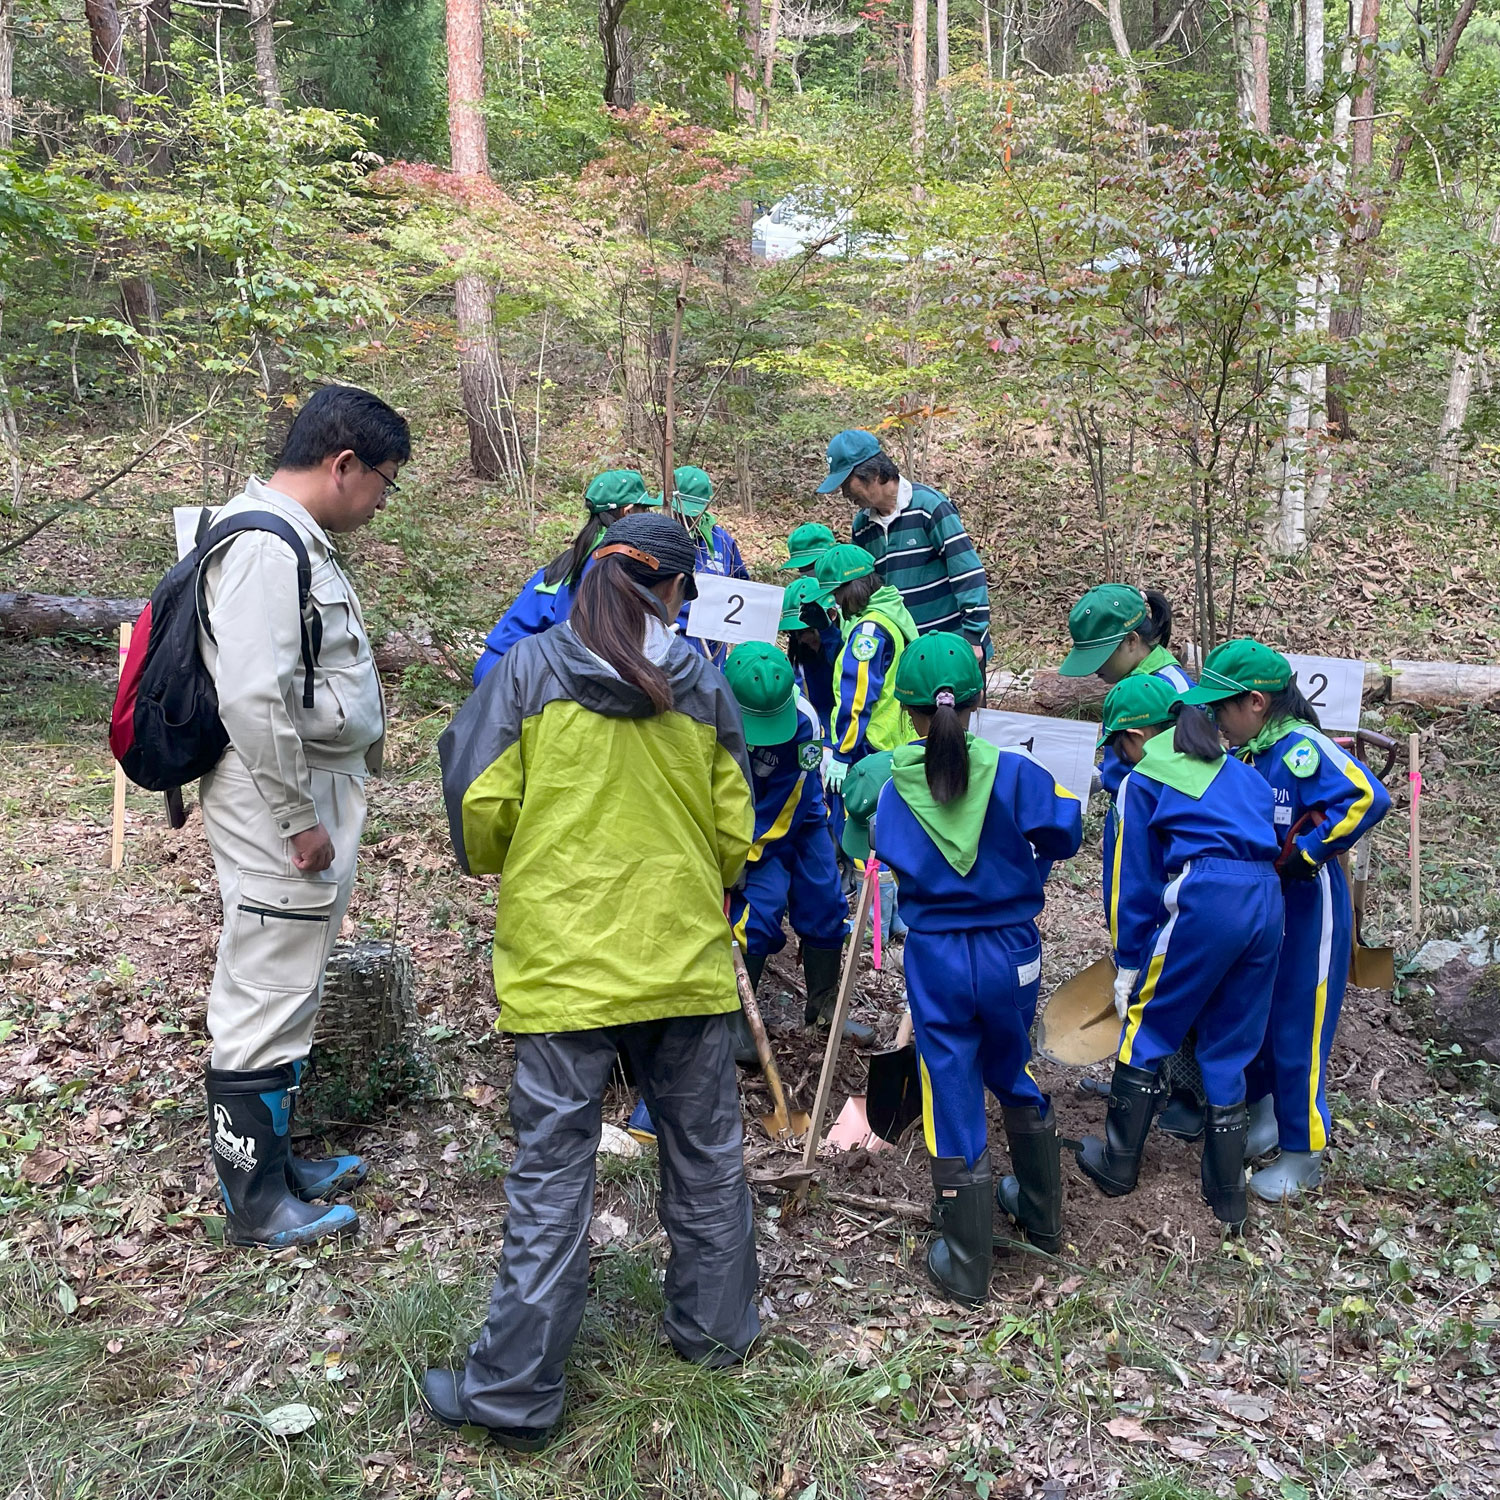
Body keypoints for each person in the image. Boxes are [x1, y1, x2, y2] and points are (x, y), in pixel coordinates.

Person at [427, 512, 759, 1450]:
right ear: (675, 590)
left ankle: (514, 1394)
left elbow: (480, 811)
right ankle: (716, 1337)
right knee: (705, 1156)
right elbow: (735, 833)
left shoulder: (526, 671)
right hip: (682, 958)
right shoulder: (703, 683)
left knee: (551, 1177)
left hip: (563, 963)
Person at [198, 385, 409, 1247]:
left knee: (290, 979)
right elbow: (253, 697)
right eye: (384, 481)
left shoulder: (289, 539)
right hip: (279, 801)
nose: (383, 500)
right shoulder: (263, 545)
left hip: (306, 789)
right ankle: (255, 1203)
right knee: (265, 987)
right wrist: (296, 819)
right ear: (343, 464)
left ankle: (277, 1165)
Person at [870, 635, 1083, 1304]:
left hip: (936, 953)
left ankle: (966, 1262)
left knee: (950, 1081)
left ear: (909, 713)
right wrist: (1027, 867)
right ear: (978, 702)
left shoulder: (892, 787)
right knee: (1012, 1063)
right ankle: (1042, 1216)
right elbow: (1068, 830)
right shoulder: (1016, 774)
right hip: (1010, 950)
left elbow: (877, 845)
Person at [1184, 641, 1391, 1201]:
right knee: (1259, 1014)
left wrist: (1311, 852)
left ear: (1256, 702)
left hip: (1309, 909)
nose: (1216, 720)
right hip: (1263, 906)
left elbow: (1368, 796)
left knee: (1301, 1023)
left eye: (1221, 707)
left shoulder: (1302, 747)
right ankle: (1266, 1116)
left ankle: (1304, 1152)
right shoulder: (1250, 753)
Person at [1074, 677, 1284, 1228]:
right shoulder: (1242, 772)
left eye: (1119, 745)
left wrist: (1129, 961)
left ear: (1137, 737)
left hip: (1205, 898)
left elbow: (1131, 882)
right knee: (1231, 1042)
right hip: (1267, 900)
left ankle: (1118, 1164)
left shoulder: (1144, 779)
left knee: (1147, 1024)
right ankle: (1226, 1194)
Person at [1058, 584, 1205, 1142]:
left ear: (1133, 642)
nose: (1096, 671)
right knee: (1144, 964)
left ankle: (1188, 1094)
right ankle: (1149, 1078)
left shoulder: (1172, 692)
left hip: (1168, 859)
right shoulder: (1137, 684)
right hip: (1137, 838)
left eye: (1102, 657)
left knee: (1171, 970)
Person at [723, 643, 869, 1046]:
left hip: (798, 818)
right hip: (739, 824)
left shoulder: (804, 721)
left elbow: (792, 799)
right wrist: (728, 854)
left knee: (826, 903)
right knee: (759, 910)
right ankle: (738, 1024)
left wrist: (747, 854)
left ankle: (824, 1010)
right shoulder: (709, 712)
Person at [817, 429, 991, 662]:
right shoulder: (862, 527)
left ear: (873, 473)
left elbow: (967, 572)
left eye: (847, 483)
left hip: (953, 649)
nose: (844, 493)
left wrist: (974, 637)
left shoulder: (929, 507)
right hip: (905, 654)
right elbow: (867, 589)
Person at [473, 469, 659, 685]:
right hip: (514, 674)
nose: (648, 515)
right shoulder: (605, 563)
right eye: (645, 509)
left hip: (497, 664)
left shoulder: (579, 554)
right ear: (628, 512)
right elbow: (576, 634)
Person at [814, 544, 919, 796]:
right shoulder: (893, 611)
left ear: (851, 588)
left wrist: (843, 751)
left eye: (836, 594)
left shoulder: (869, 631)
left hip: (870, 744)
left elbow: (857, 695)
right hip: (898, 739)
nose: (836, 602)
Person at [669, 464, 748, 667]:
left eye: (693, 512)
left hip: (712, 648)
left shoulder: (721, 541)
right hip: (672, 644)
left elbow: (742, 587)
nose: (686, 518)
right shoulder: (659, 536)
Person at [779, 575, 841, 741]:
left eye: (808, 630)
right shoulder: (800, 660)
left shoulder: (847, 642)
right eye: (796, 634)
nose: (803, 640)